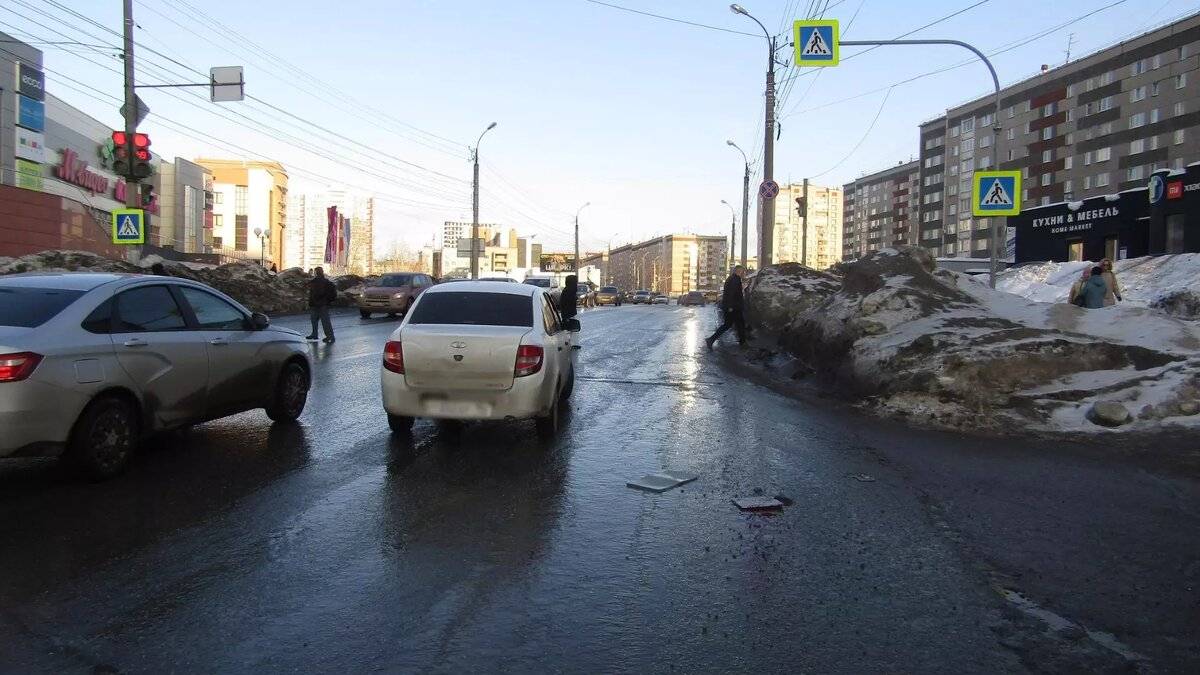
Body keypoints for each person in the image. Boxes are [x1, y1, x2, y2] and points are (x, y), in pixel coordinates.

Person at [705, 265, 746, 350]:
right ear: (738, 272)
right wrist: (730, 306)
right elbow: (731, 294)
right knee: (736, 324)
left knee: (735, 324)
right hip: (733, 307)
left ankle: (711, 340)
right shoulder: (734, 280)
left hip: (733, 306)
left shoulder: (733, 279)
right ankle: (742, 343)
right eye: (742, 272)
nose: (743, 274)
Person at [306, 267, 338, 343]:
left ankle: (327, 336)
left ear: (316, 273)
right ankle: (327, 336)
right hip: (321, 304)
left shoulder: (318, 282)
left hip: (319, 304)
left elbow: (316, 293)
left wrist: (316, 299)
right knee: (321, 321)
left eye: (314, 272)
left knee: (321, 321)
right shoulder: (325, 282)